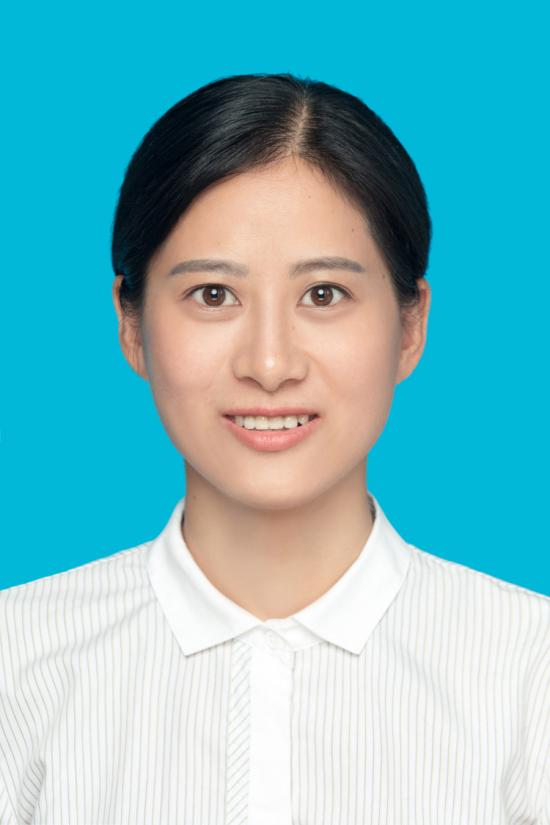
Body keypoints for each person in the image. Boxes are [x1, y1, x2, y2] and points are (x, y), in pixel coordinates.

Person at [0, 72, 548, 825]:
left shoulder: (529, 671)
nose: (269, 363)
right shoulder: (17, 661)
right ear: (131, 324)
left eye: (323, 294)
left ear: (411, 325)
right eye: (213, 295)